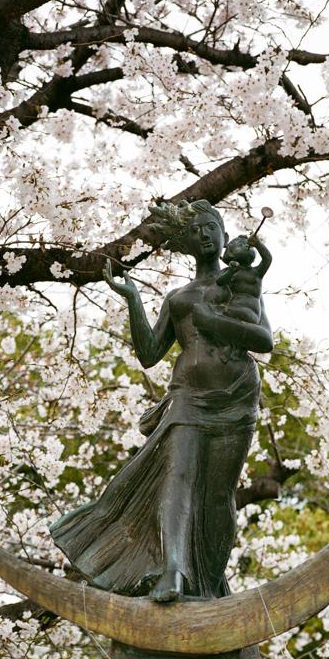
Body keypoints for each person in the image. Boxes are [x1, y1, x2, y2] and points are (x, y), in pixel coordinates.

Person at [49, 199, 273, 603]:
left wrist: (213, 322)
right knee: (178, 479)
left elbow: (263, 340)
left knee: (219, 494)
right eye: (195, 231)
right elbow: (150, 353)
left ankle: (209, 580)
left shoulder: (242, 282)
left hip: (236, 398)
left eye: (210, 227)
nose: (203, 235)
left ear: (224, 235)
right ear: (185, 243)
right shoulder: (177, 297)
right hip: (188, 398)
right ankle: (173, 571)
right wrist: (133, 299)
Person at [215, 233, 272, 325]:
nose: (246, 246)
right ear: (231, 253)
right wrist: (230, 272)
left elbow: (267, 259)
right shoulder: (229, 270)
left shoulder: (257, 272)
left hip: (251, 310)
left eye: (248, 245)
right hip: (233, 305)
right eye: (241, 245)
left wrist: (258, 244)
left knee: (219, 312)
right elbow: (219, 282)